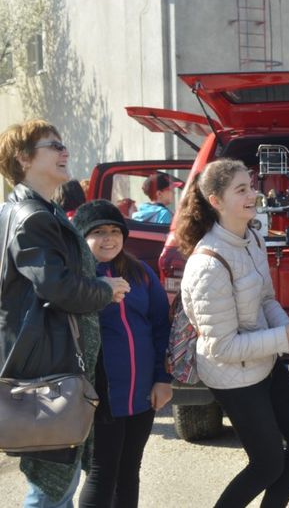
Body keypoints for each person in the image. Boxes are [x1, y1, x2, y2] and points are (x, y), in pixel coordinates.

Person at [176, 158, 289, 508]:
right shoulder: (208, 264)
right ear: (215, 201)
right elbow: (223, 347)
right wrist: (285, 338)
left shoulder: (252, 238)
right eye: (241, 189)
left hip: (262, 363)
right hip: (233, 377)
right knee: (268, 464)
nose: (252, 194)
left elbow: (266, 299)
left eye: (251, 186)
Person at [0, 119, 130, 507]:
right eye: (52, 146)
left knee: (57, 485)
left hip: (45, 363)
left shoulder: (30, 209)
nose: (64, 151)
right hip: (47, 369)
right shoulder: (32, 216)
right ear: (24, 159)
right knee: (52, 489)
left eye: (63, 144)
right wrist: (103, 290)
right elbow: (57, 287)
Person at [72, 200, 172, 508]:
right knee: (102, 472)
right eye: (98, 231)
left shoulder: (140, 272)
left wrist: (162, 378)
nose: (109, 238)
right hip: (100, 394)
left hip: (142, 393)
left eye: (115, 230)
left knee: (130, 472)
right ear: (82, 237)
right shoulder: (75, 278)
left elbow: (160, 327)